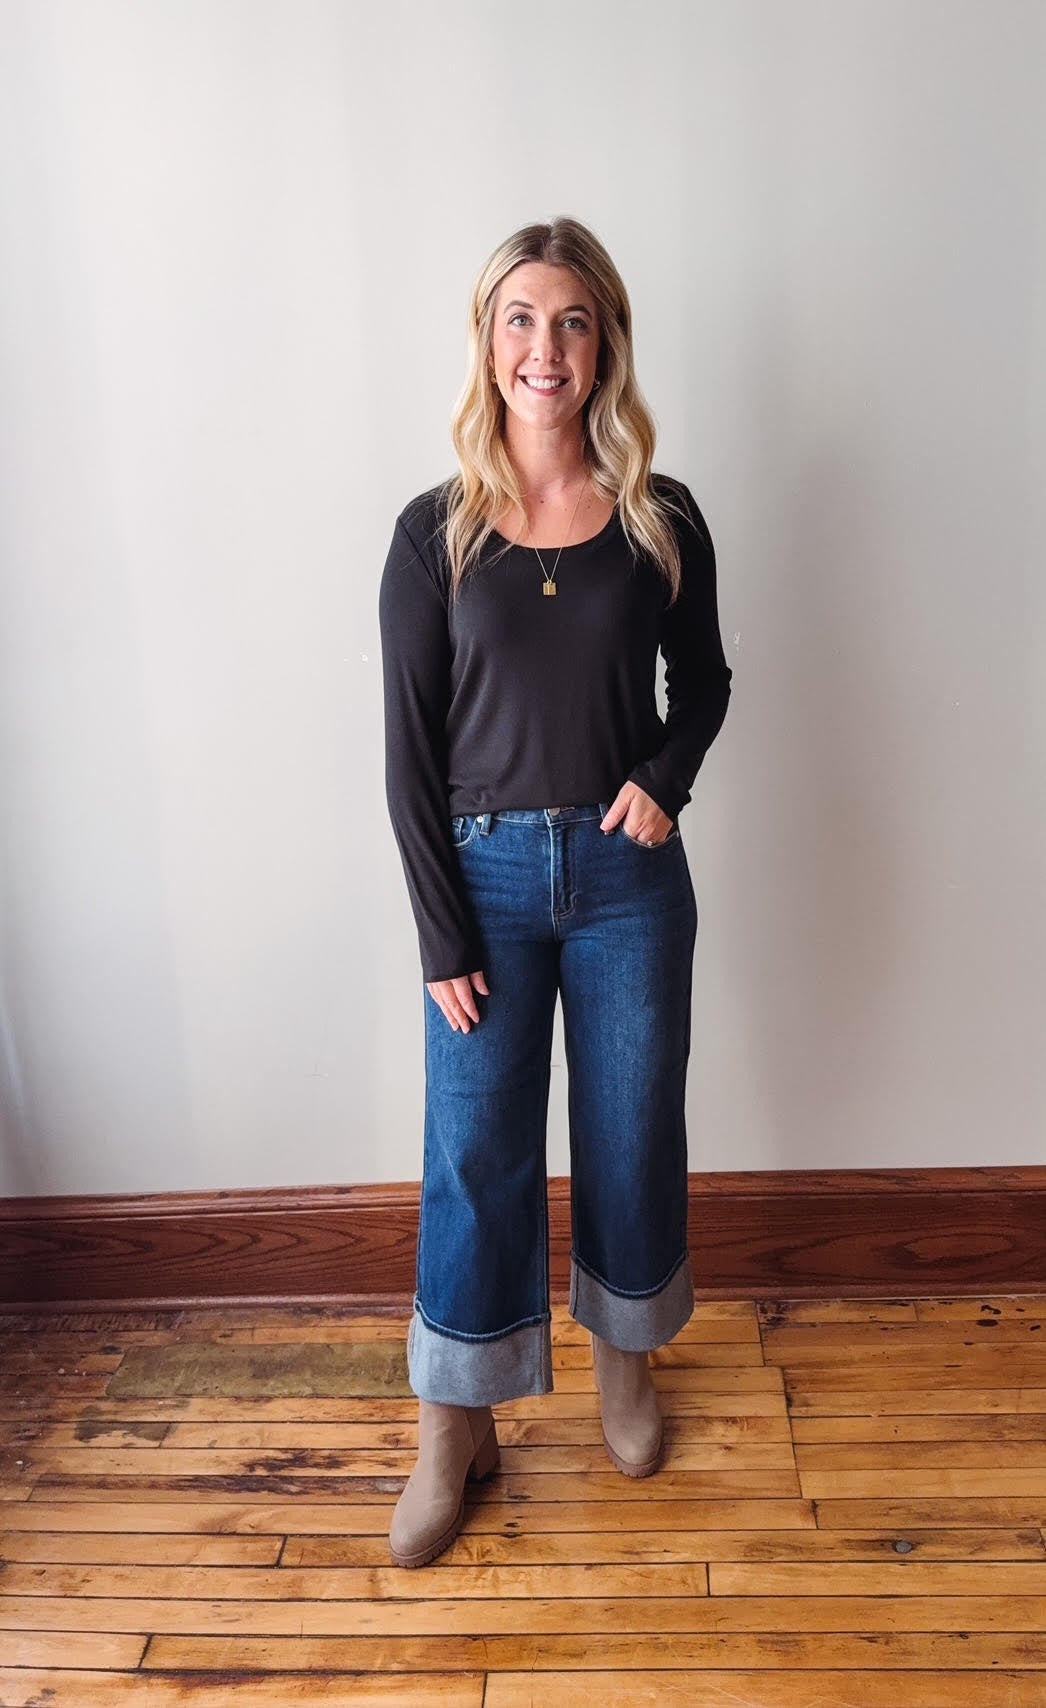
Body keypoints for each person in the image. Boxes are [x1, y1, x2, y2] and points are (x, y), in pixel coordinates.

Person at [377, 216, 732, 1568]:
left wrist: (663, 776)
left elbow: (700, 688)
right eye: (520, 318)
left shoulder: (660, 516)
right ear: (488, 342)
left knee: (633, 1130)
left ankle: (625, 1368)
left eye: (572, 321)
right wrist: (436, 935)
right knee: (474, 1156)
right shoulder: (434, 535)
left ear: (605, 346)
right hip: (482, 883)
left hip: (629, 880)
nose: (545, 346)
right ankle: (453, 1419)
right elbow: (408, 755)